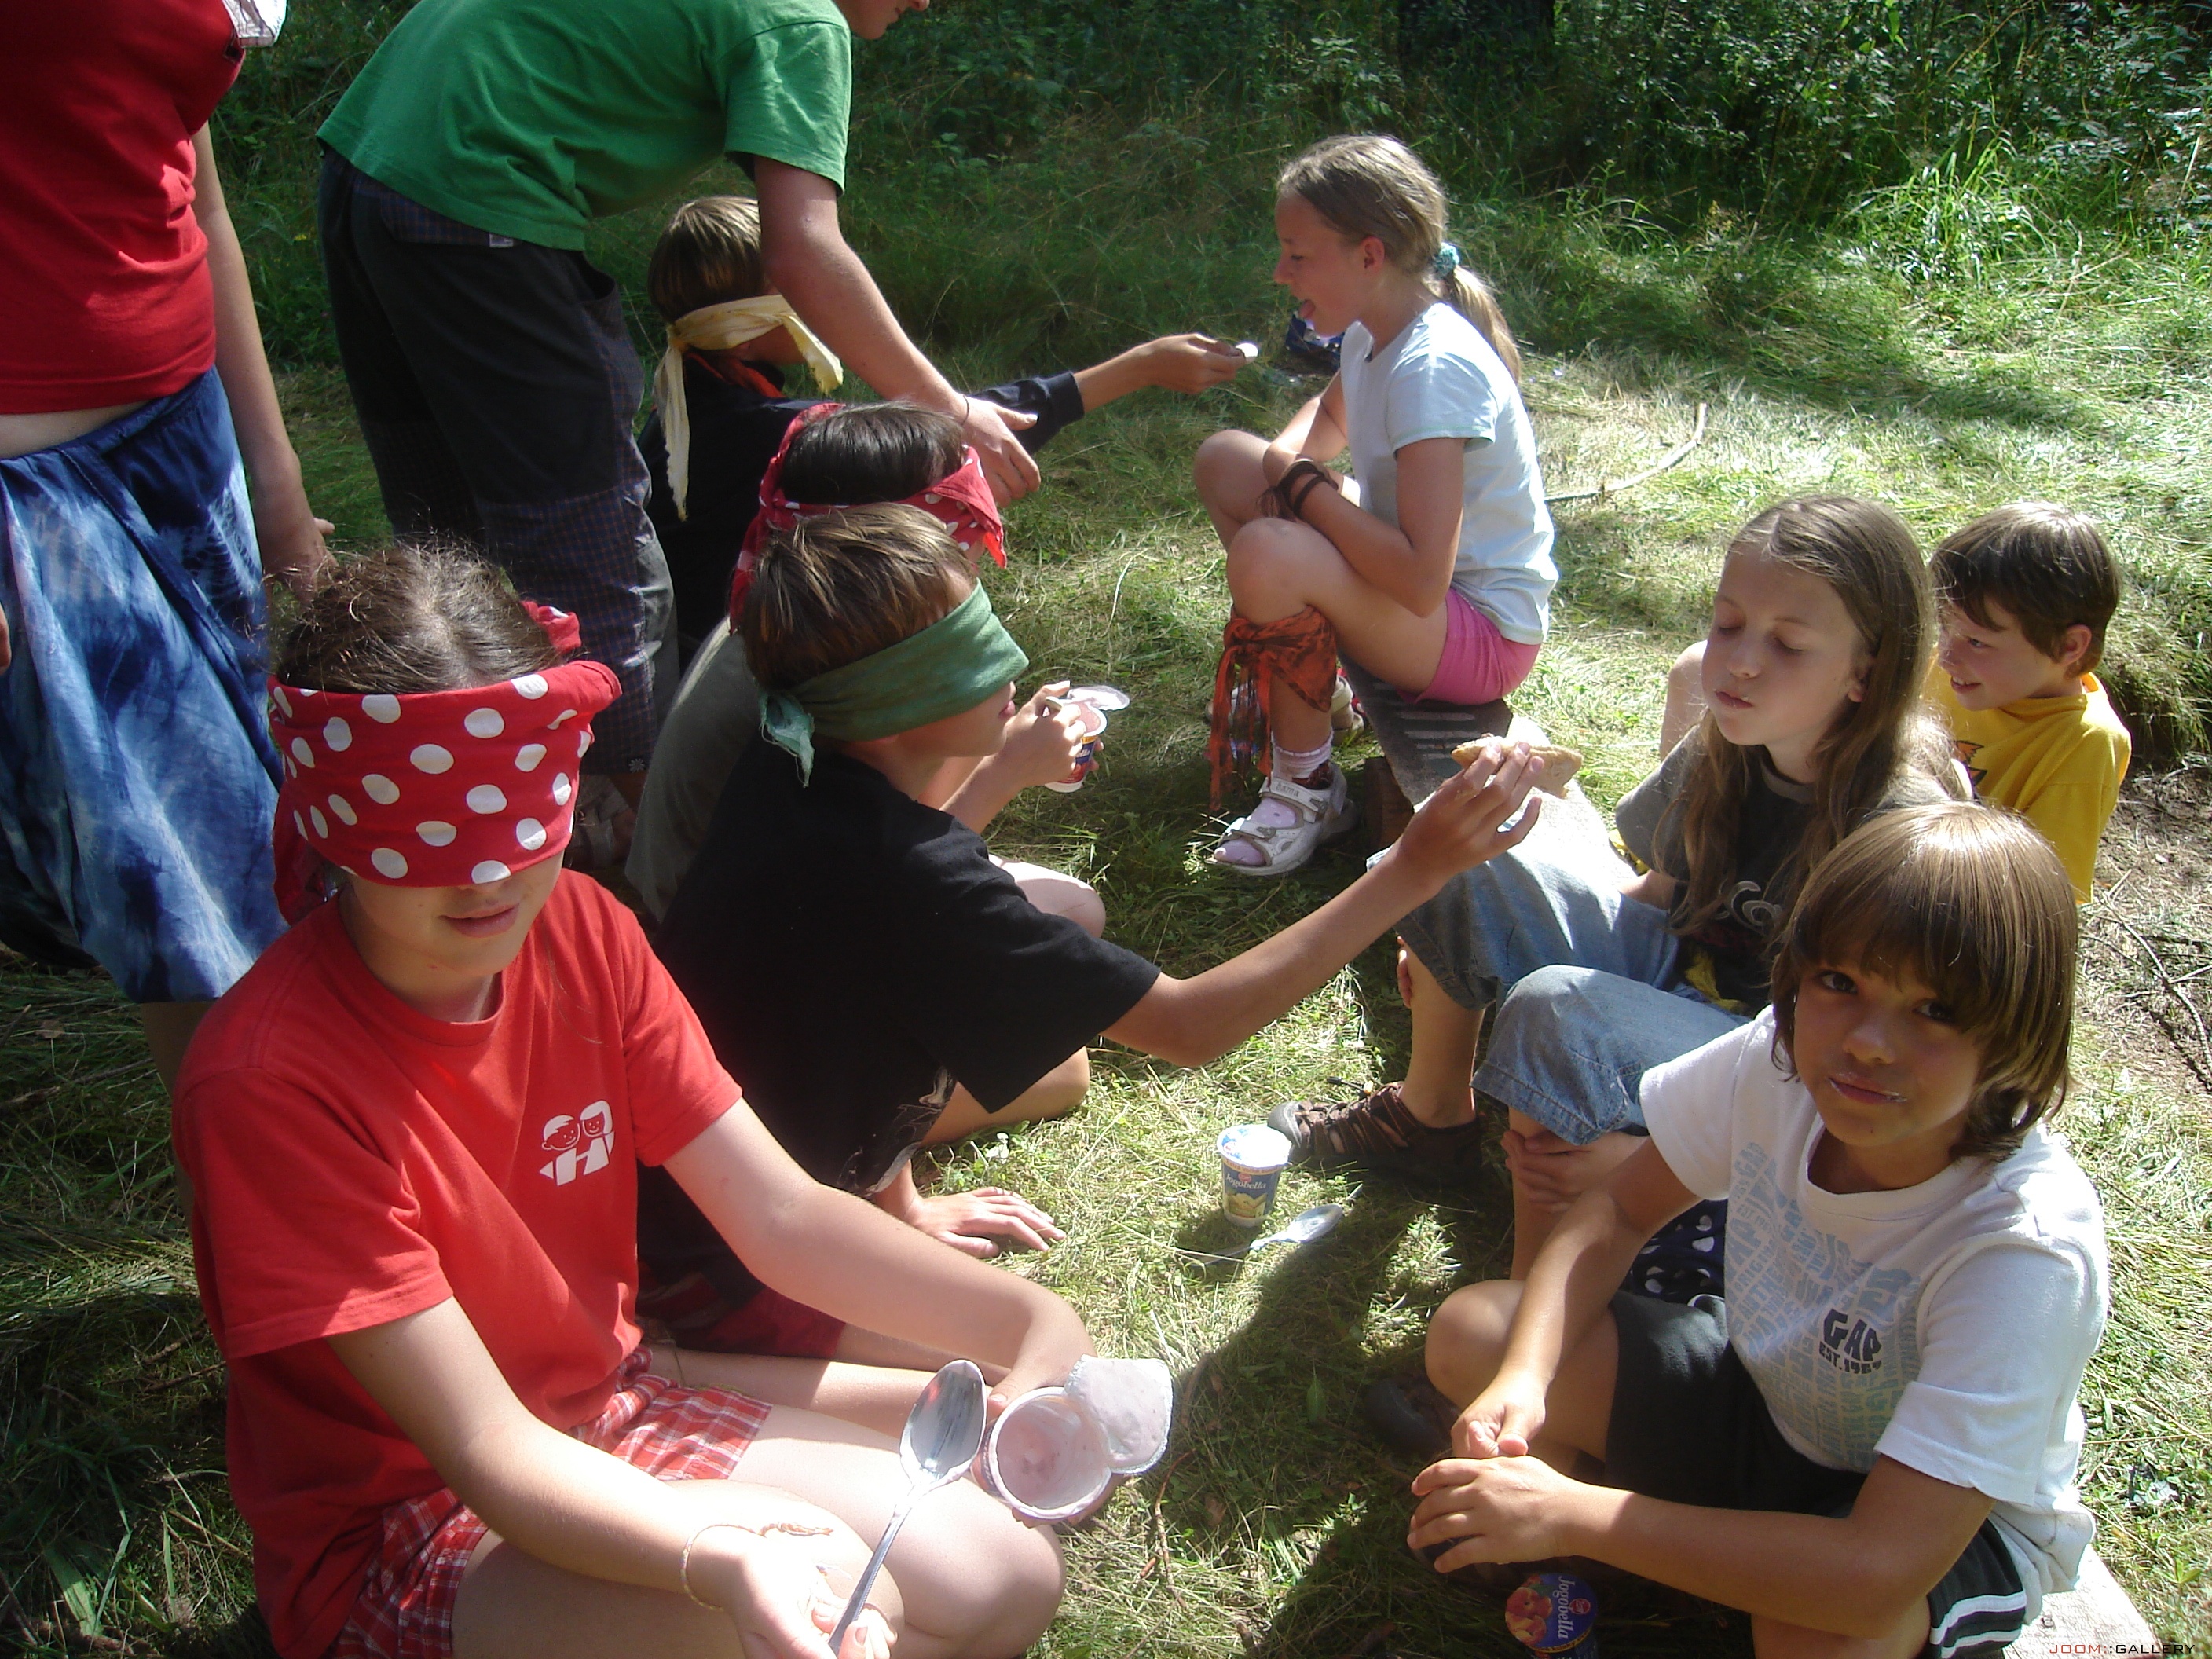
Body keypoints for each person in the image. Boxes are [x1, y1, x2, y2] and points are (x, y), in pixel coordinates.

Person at [173, 545, 1082, 1659]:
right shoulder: (269, 1083)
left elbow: (781, 1216)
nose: (488, 877)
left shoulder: (584, 933)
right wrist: (720, 1556)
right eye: (428, 836)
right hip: (411, 1524)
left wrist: (1028, 1323)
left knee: (1005, 1579)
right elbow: (486, 1448)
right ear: (335, 815)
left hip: (613, 1407)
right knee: (844, 1604)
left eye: (518, 819)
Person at [642, 500, 1550, 1355]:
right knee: (1030, 1367)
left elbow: (885, 994)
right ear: (895, 701)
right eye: (967, 645)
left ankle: (881, 1205)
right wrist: (1413, 869)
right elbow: (1190, 1027)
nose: (1007, 659)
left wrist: (905, 1211)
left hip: (729, 1132)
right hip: (722, 1260)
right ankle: (699, 1365)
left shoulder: (791, 757)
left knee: (1063, 1068)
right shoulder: (914, 881)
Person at [315, 0, 1048, 820]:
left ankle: (439, 788)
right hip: (475, 191)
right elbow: (801, 249)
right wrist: (946, 407)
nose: (926, 3)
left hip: (368, 160)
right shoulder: (802, 18)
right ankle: (637, 830)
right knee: (591, 540)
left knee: (444, 519)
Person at [1408, 804, 2105, 1659]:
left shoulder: (2024, 1251)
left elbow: (1875, 1572)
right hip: (1766, 1398)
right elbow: (1617, 1211)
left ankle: (1649, 1549)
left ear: (2016, 1036)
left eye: (1934, 1009)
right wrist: (1526, 1379)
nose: (1867, 1044)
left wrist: (1570, 1513)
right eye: (1839, 982)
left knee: (1816, 1629)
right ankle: (1658, 1557)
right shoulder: (1779, 1062)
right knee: (1479, 1333)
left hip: (1926, 1518)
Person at [1274, 497, 1965, 1291]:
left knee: (1557, 1011)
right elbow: (1655, 896)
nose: (1739, 662)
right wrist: (1461, 929)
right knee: (1459, 849)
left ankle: (1535, 1315)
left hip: (1783, 1062)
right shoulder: (1731, 743)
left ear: (1866, 671)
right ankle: (1430, 1118)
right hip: (1687, 983)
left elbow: (1874, 1069)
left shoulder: (1898, 834)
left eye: (1787, 644)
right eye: (1728, 624)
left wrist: (1657, 1151)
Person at [0, 0, 331, 1087]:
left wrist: (275, 483)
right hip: (36, 493)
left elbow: (190, 178)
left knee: (246, 839)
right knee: (195, 892)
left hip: (182, 440)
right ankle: (268, 1170)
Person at [640, 194, 1251, 660]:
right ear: (745, 327)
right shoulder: (759, 431)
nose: (817, 297)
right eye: (793, 285)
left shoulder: (689, 407)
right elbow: (934, 437)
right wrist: (1137, 368)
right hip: (722, 663)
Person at [1192, 134, 1555, 874]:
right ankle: (1316, 692)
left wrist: (1303, 491)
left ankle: (1308, 787)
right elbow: (1320, 426)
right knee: (1225, 460)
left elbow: (1420, 581)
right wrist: (1287, 467)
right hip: (1423, 600)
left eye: (1298, 255)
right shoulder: (1373, 333)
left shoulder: (1433, 367)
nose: (1280, 273)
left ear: (1369, 255)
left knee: (1269, 551)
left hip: (1479, 634)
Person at [630, 403, 1099, 921]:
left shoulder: (798, 618)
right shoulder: (821, 685)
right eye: (963, 526)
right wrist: (1006, 771)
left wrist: (1005, 737)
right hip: (747, 929)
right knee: (1075, 910)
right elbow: (881, 883)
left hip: (786, 882)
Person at [1928, 503, 2130, 903]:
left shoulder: (2084, 743)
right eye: (1944, 629)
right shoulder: (1948, 670)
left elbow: (2040, 897)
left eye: (1977, 641)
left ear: (2068, 646)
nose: (1946, 656)